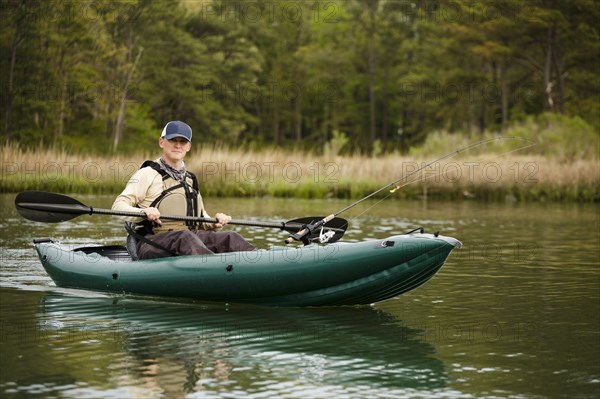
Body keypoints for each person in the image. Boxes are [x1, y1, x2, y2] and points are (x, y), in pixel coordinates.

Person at [112, 120, 256, 259]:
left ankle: (259, 262)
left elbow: (200, 220)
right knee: (185, 238)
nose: (177, 145)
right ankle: (218, 272)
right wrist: (142, 212)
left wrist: (214, 223)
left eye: (183, 142)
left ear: (189, 146)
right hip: (151, 242)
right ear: (161, 142)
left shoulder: (191, 180)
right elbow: (118, 206)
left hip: (189, 239)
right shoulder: (147, 174)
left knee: (230, 237)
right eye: (173, 140)